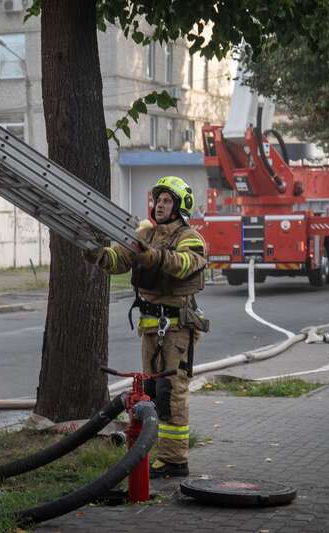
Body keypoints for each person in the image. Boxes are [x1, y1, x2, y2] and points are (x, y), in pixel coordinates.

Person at [84, 176, 209, 479]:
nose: (160, 205)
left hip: (177, 327)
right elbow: (120, 260)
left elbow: (185, 264)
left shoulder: (190, 236)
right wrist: (97, 253)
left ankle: (174, 460)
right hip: (151, 327)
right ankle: (156, 454)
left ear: (179, 206)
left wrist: (154, 256)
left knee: (171, 392)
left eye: (167, 200)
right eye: (158, 200)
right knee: (151, 393)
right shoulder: (145, 234)